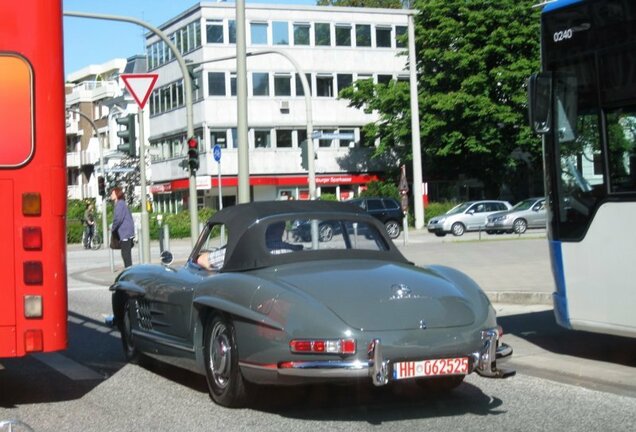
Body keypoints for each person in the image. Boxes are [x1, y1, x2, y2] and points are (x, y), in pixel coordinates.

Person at [110, 187, 135, 268]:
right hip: (127, 232)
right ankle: (129, 271)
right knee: (126, 254)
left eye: (112, 193)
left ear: (117, 194)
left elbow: (118, 219)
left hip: (125, 233)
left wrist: (112, 228)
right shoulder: (122, 203)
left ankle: (129, 273)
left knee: (125, 254)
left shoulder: (120, 204)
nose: (111, 195)